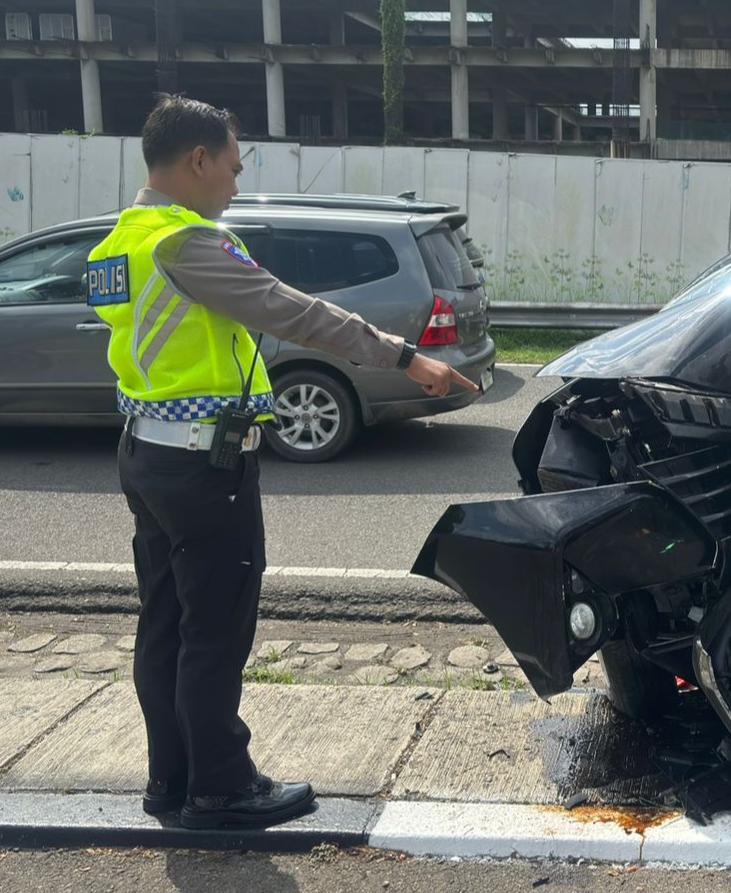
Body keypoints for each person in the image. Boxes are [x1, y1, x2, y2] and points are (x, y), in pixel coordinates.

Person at [90, 94, 477, 830]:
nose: (236, 184)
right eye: (232, 168)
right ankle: (223, 789)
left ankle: (169, 779)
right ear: (198, 161)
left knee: (165, 622)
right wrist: (404, 357)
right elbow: (290, 309)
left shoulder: (123, 239)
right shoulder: (186, 242)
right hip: (204, 468)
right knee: (215, 628)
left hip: (145, 450)